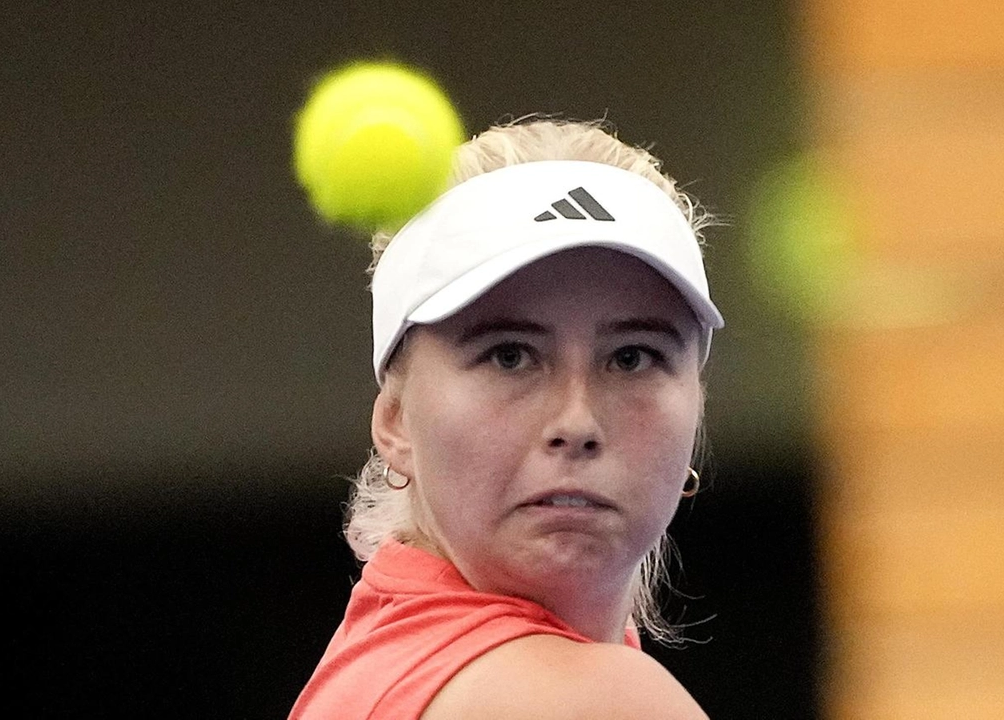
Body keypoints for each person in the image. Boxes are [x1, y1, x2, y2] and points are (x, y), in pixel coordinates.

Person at [289, 119, 724, 720]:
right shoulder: (594, 702)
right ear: (395, 421)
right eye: (510, 356)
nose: (577, 421)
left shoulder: (371, 666)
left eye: (632, 358)